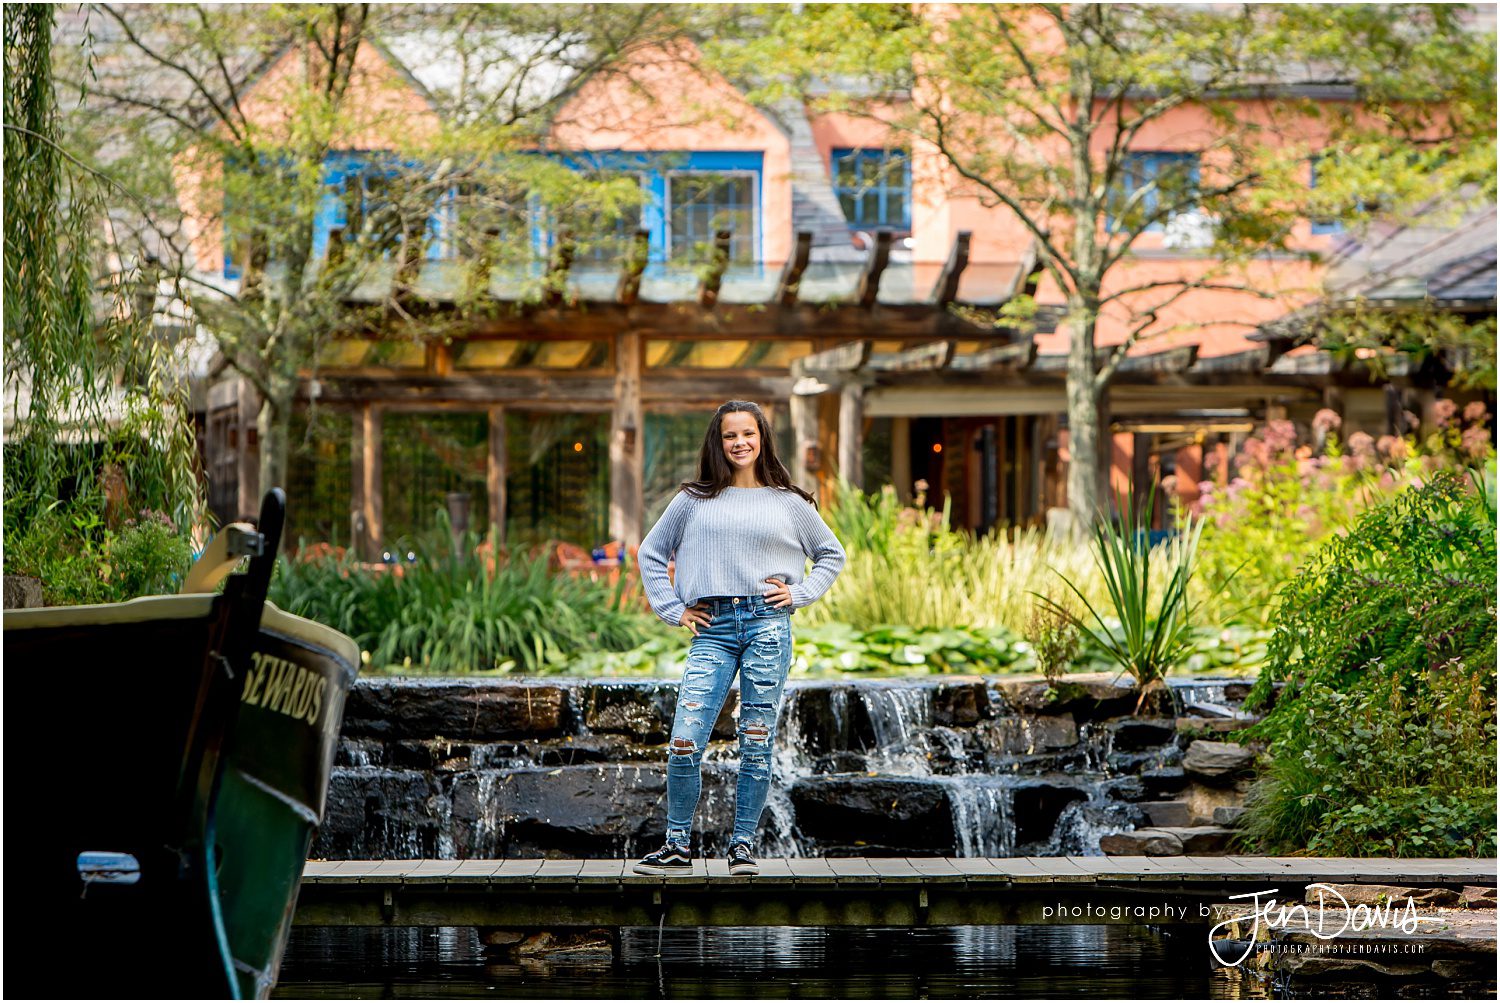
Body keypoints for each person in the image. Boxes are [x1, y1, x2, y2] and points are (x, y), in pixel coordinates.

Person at [633, 401, 846, 876]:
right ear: (719, 442)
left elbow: (831, 554)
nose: (740, 443)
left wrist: (800, 592)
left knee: (755, 737)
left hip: (767, 623)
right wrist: (673, 608)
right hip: (714, 626)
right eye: (730, 436)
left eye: (748, 434)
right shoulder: (692, 500)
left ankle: (743, 846)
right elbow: (651, 552)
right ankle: (676, 847)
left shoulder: (788, 502)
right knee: (686, 739)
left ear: (762, 438)